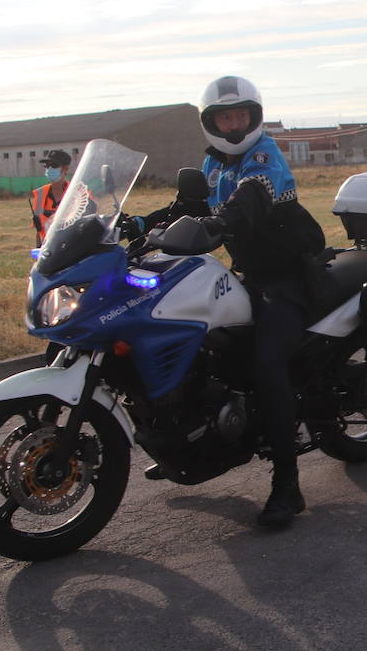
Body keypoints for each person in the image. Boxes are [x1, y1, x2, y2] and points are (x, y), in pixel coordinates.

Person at [137, 75, 326, 530]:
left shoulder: (264, 158)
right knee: (198, 343)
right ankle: (184, 444)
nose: (234, 124)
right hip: (249, 275)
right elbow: (183, 204)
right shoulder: (214, 162)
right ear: (212, 121)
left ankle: (287, 485)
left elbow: (249, 201)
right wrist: (136, 223)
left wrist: (216, 226)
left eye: (241, 115)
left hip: (288, 279)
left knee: (266, 366)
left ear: (254, 117)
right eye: (226, 117)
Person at [29, 150, 72, 246]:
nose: (49, 169)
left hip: (71, 248)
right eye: (47, 166)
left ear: (66, 168)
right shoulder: (40, 194)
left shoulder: (77, 193)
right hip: (48, 249)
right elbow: (39, 229)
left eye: (54, 166)